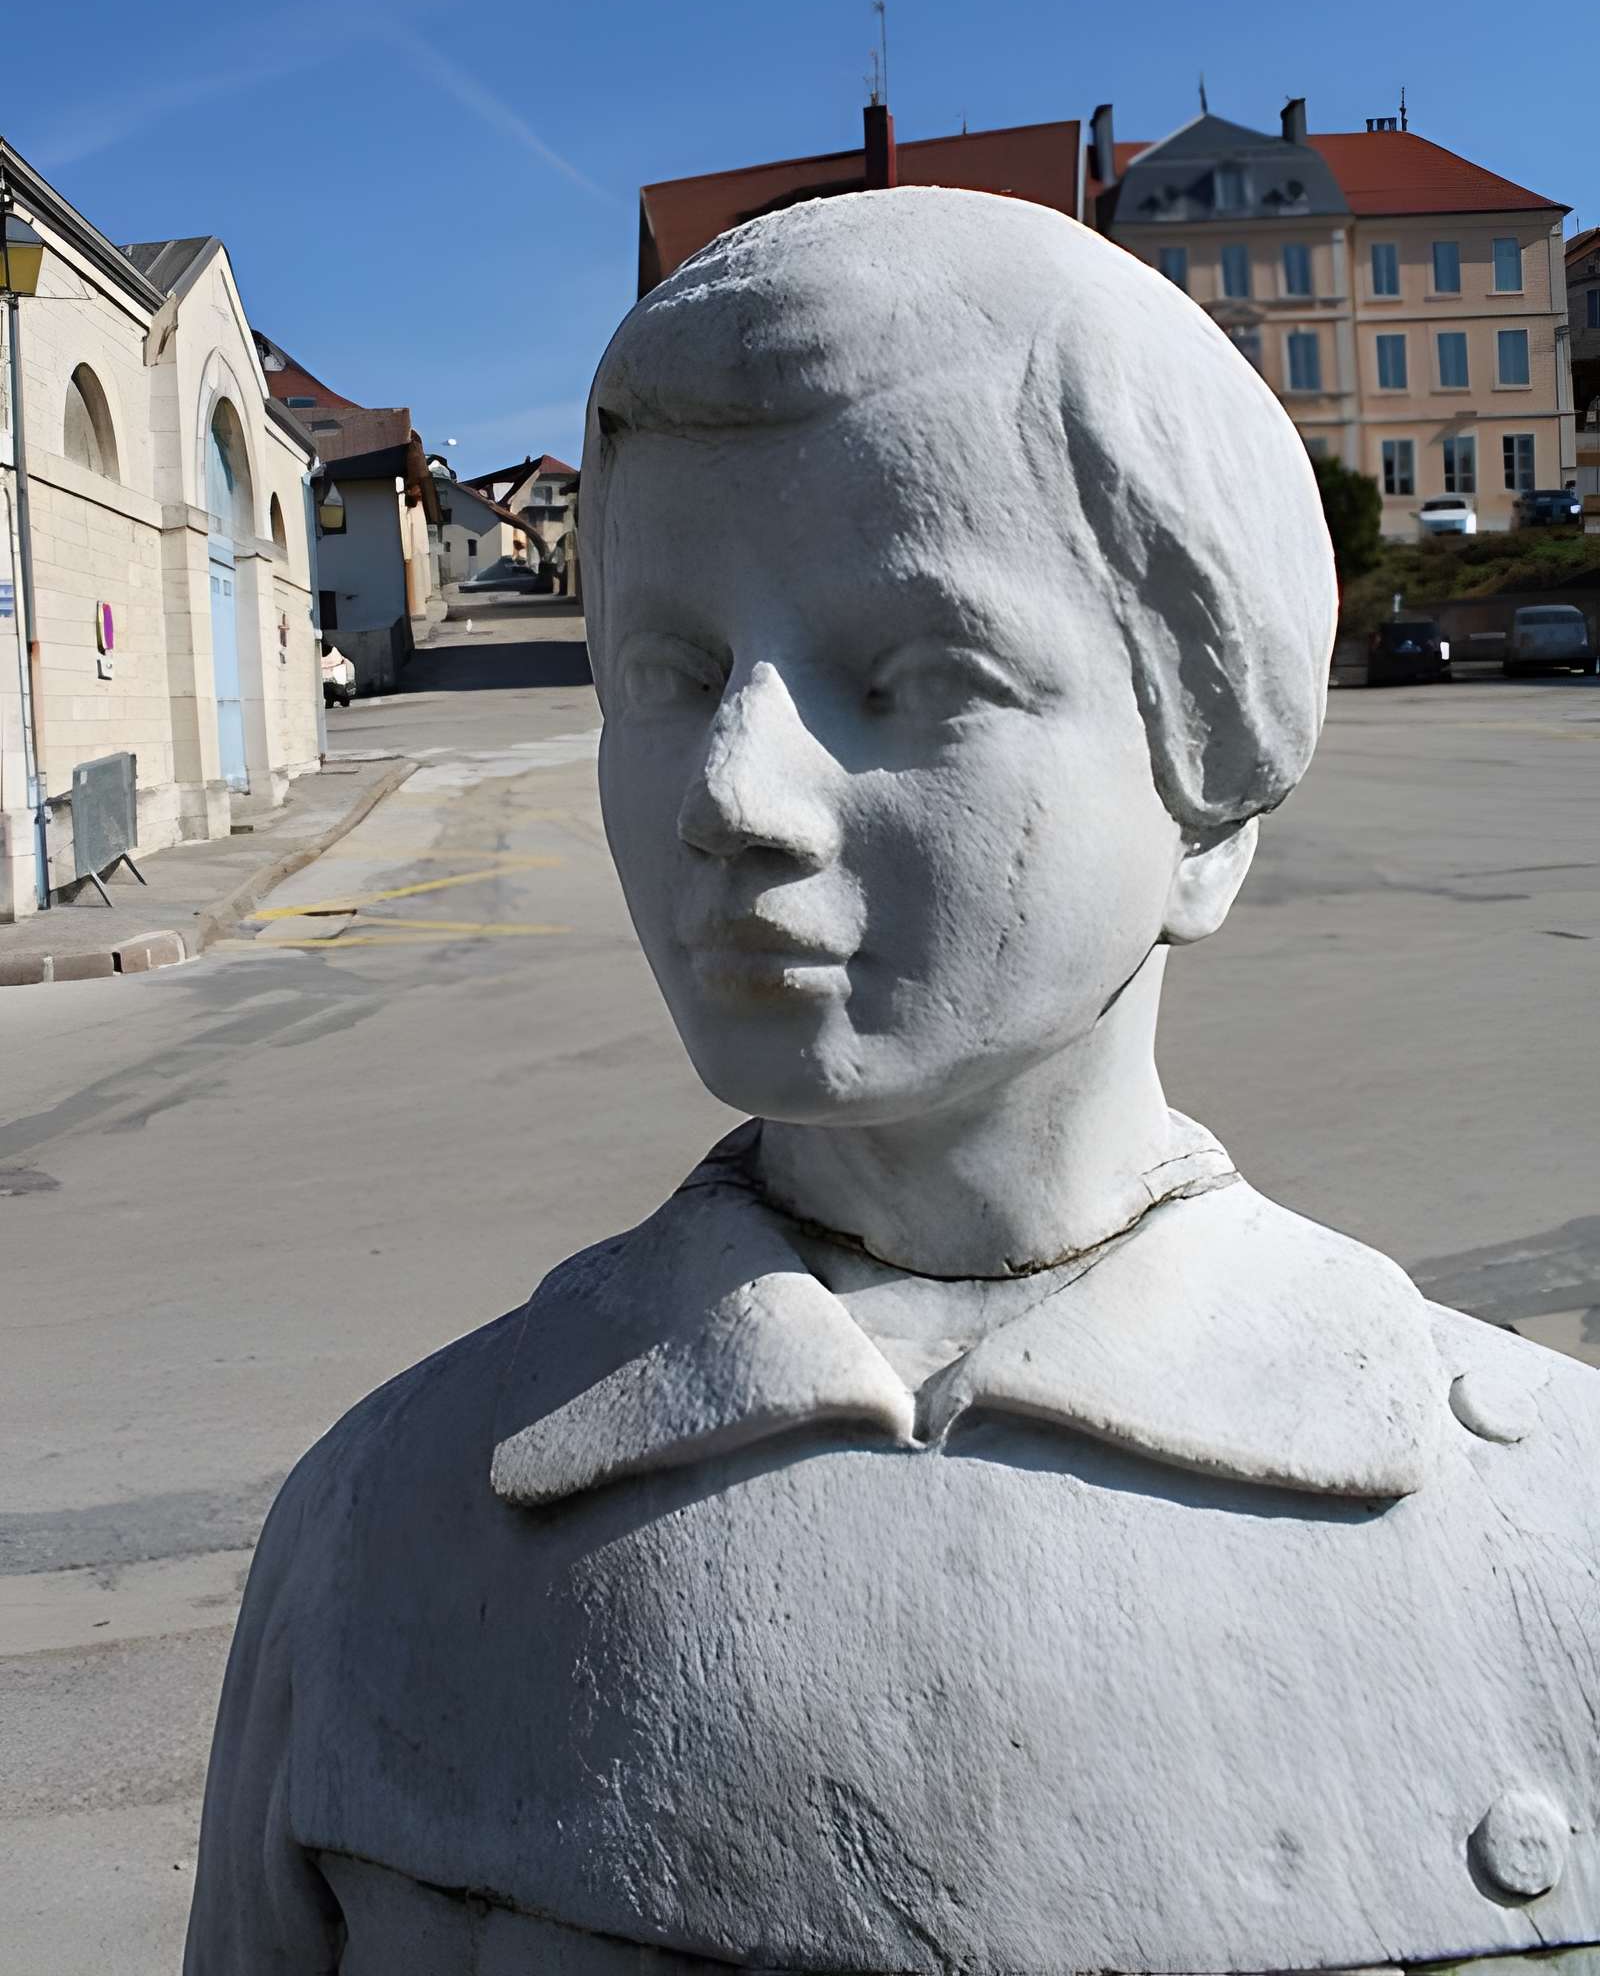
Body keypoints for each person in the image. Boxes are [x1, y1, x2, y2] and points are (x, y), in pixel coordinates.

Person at [187, 189, 1600, 1974]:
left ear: (1210, 787)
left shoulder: (1549, 1542)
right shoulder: (381, 1539)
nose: (733, 795)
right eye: (672, 673)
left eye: (916, 673)